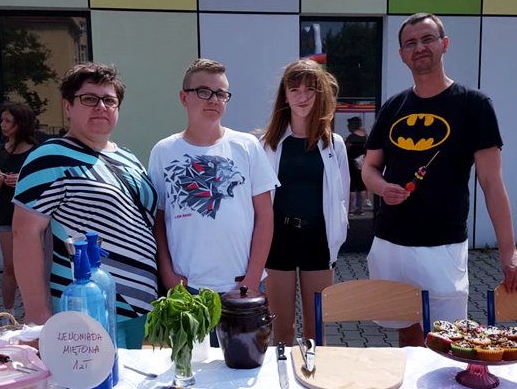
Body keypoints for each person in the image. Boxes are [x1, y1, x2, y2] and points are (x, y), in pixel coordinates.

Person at [362, 13, 517, 347]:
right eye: (410, 43)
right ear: (402, 54)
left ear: (444, 44)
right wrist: (382, 188)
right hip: (391, 241)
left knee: (446, 338)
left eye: (427, 39)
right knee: (406, 331)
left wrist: (508, 251)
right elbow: (370, 168)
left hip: (443, 245)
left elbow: (491, 183)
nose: (419, 48)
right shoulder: (393, 107)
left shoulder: (473, 105)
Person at [12, 62, 158, 349]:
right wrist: (37, 314)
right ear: (68, 106)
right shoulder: (50, 157)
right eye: (89, 99)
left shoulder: (128, 158)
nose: (101, 107)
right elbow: (24, 234)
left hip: (144, 308)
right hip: (88, 308)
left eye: (109, 100)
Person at [149, 58, 278, 302]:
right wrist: (167, 275)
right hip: (187, 288)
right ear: (184, 97)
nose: (214, 100)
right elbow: (159, 220)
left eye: (221, 93)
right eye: (203, 91)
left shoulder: (247, 146)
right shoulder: (163, 152)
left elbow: (265, 216)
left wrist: (251, 279)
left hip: (240, 286)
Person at [260, 59, 350, 344]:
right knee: (281, 331)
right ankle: (281, 374)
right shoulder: (267, 144)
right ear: (284, 96)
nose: (302, 97)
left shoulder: (333, 144)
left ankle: (314, 373)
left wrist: (339, 234)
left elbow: (342, 197)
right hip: (278, 238)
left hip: (318, 239)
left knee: (317, 331)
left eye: (310, 89)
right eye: (295, 89)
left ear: (320, 94)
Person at [0, 102, 38, 320]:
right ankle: (8, 315)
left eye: (8, 121)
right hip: (6, 216)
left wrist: (23, 182)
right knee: (9, 267)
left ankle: (36, 312)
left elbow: (44, 186)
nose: (2, 124)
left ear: (21, 123)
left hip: (34, 217)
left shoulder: (36, 152)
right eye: (2, 120)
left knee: (35, 265)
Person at [345, 116, 369, 215]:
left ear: (353, 125)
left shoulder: (352, 137)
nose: (348, 126)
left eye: (349, 124)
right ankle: (360, 209)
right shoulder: (365, 136)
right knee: (361, 186)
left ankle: (350, 210)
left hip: (352, 163)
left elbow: (345, 149)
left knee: (352, 187)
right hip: (362, 163)